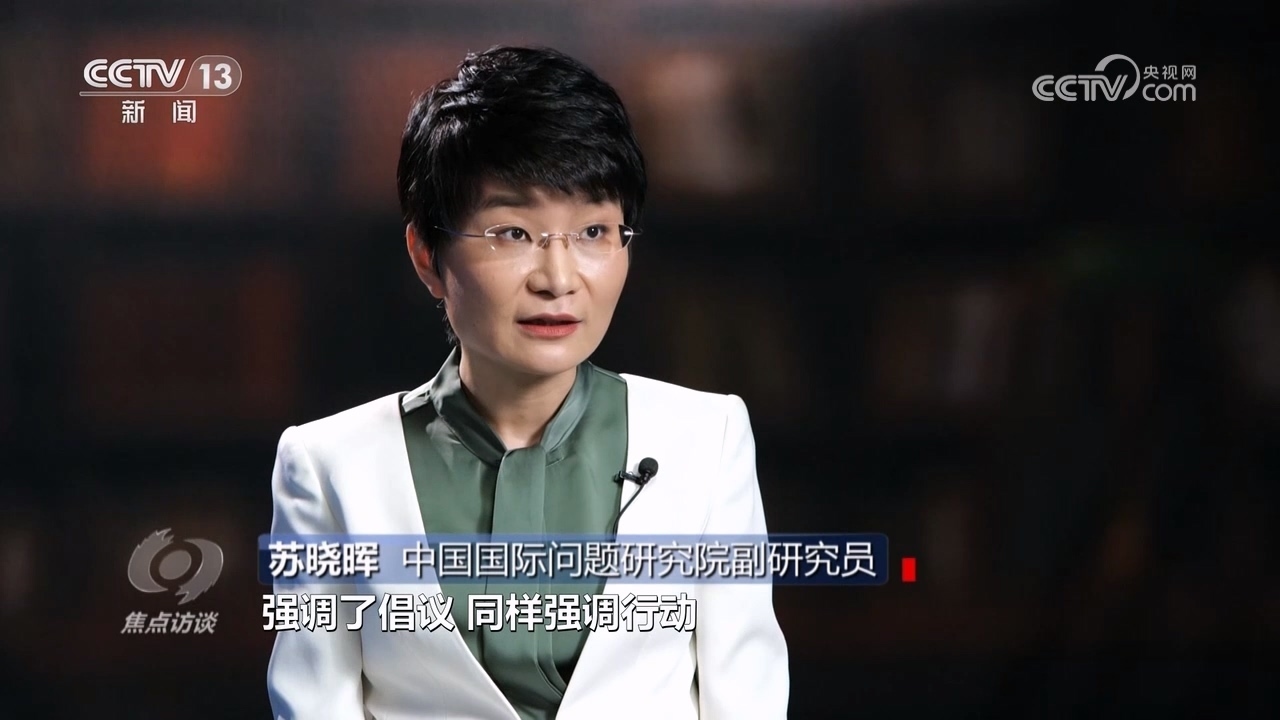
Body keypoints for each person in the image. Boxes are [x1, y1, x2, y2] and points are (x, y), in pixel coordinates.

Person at [265, 45, 788, 720]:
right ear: (426, 255)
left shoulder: (706, 440)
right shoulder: (328, 464)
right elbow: (315, 705)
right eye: (513, 232)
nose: (558, 279)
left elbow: (746, 699)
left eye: (594, 230)